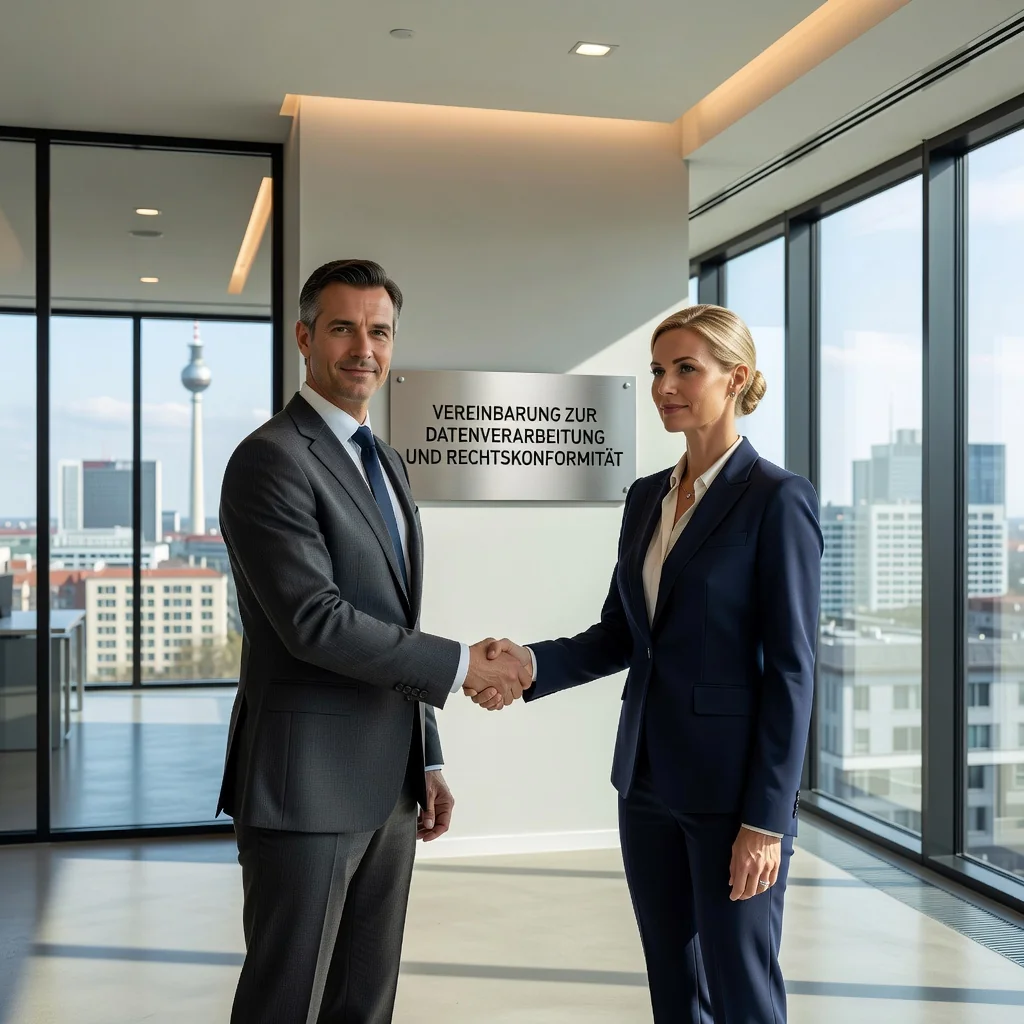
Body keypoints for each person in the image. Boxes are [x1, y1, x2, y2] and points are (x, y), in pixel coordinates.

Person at [471, 304, 823, 1023]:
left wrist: (766, 820)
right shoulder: (645, 500)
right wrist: (530, 663)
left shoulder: (777, 501)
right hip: (646, 784)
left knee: (740, 990)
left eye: (685, 369)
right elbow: (622, 635)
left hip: (732, 798)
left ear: (737, 378)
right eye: (658, 370)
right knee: (672, 984)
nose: (665, 385)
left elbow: (794, 670)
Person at [217, 258, 531, 1024]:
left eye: (380, 331)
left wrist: (426, 757)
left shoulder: (384, 460)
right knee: (285, 1001)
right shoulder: (271, 459)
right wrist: (462, 667)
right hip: (308, 787)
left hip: (389, 786)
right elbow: (314, 619)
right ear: (304, 337)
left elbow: (395, 622)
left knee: (364, 1001)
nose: (364, 347)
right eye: (343, 328)